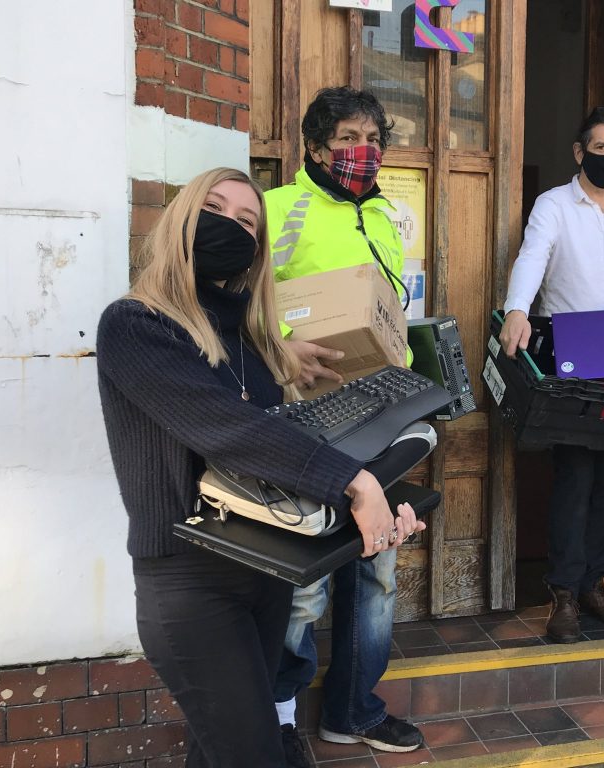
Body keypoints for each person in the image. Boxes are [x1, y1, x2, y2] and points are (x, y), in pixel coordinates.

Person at [96, 167, 422, 767]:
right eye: (215, 209)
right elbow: (231, 429)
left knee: (220, 751)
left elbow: (281, 457)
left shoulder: (253, 342)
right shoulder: (135, 325)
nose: (231, 226)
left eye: (248, 221)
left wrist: (371, 517)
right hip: (191, 583)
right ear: (182, 219)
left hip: (266, 570)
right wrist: (355, 483)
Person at [264, 86, 425, 761]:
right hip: (304, 416)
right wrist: (280, 348)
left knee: (377, 564)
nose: (362, 151)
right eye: (347, 138)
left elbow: (398, 306)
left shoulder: (388, 216)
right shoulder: (277, 210)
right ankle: (275, 719)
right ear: (314, 146)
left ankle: (353, 711)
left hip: (381, 408)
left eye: (371, 138)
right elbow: (241, 306)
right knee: (304, 583)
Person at [499, 106, 604, 643]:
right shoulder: (553, 205)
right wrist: (516, 308)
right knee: (575, 477)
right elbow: (531, 258)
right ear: (579, 151)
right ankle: (562, 592)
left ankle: (592, 584)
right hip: (571, 352)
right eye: (602, 148)